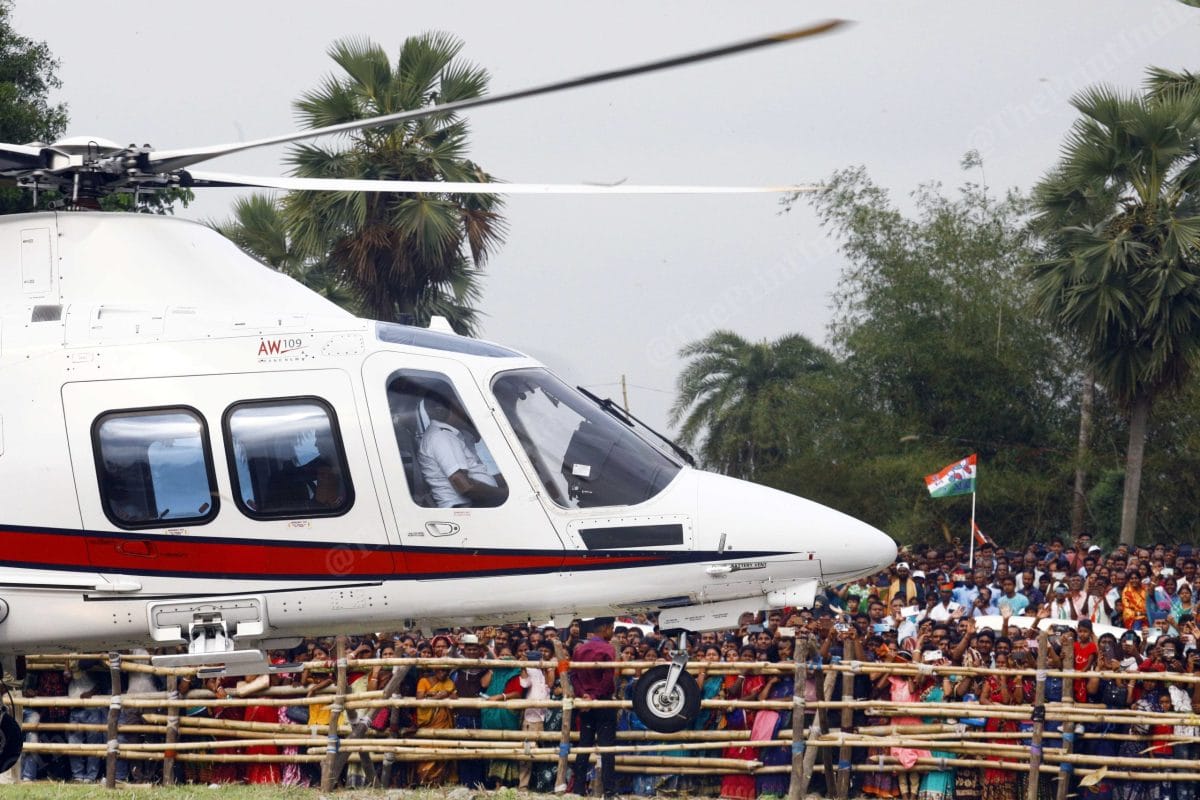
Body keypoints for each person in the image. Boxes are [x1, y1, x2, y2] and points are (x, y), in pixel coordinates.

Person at [417, 392, 507, 508]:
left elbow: (475, 477)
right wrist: (504, 494)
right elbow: (466, 488)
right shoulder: (442, 437)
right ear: (442, 410)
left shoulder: (446, 435)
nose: (466, 410)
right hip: (465, 507)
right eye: (460, 405)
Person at [571, 617, 618, 799]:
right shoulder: (608, 648)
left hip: (585, 703)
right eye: (612, 629)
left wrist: (584, 694)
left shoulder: (580, 649)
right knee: (607, 748)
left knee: (584, 744)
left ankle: (578, 789)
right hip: (602, 701)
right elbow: (608, 678)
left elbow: (573, 675)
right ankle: (609, 792)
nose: (612, 632)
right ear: (606, 629)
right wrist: (595, 696)